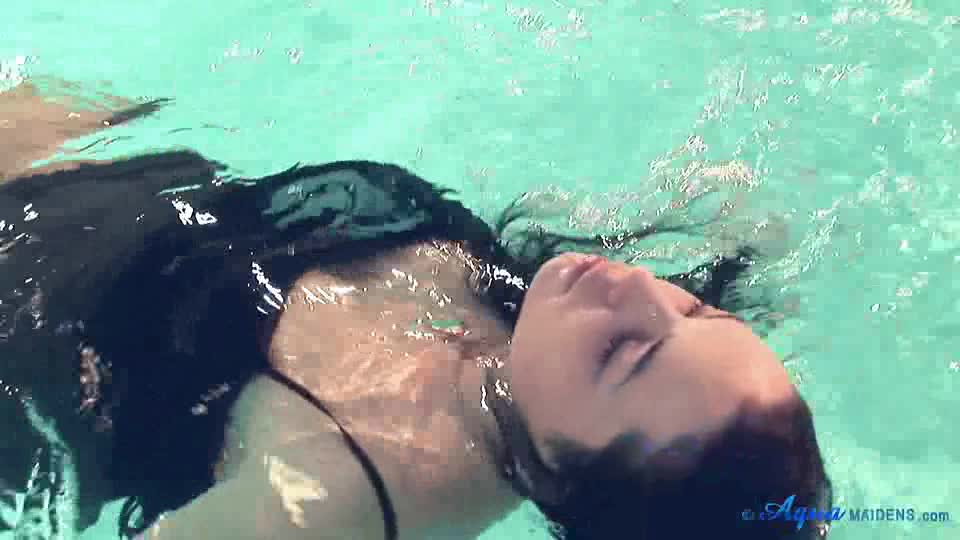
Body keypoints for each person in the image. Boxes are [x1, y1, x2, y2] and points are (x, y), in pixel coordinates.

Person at [0, 80, 833, 540]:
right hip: (111, 179)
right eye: (696, 313)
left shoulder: (344, 495)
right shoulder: (537, 327)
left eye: (626, 351)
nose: (637, 287)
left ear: (560, 471)